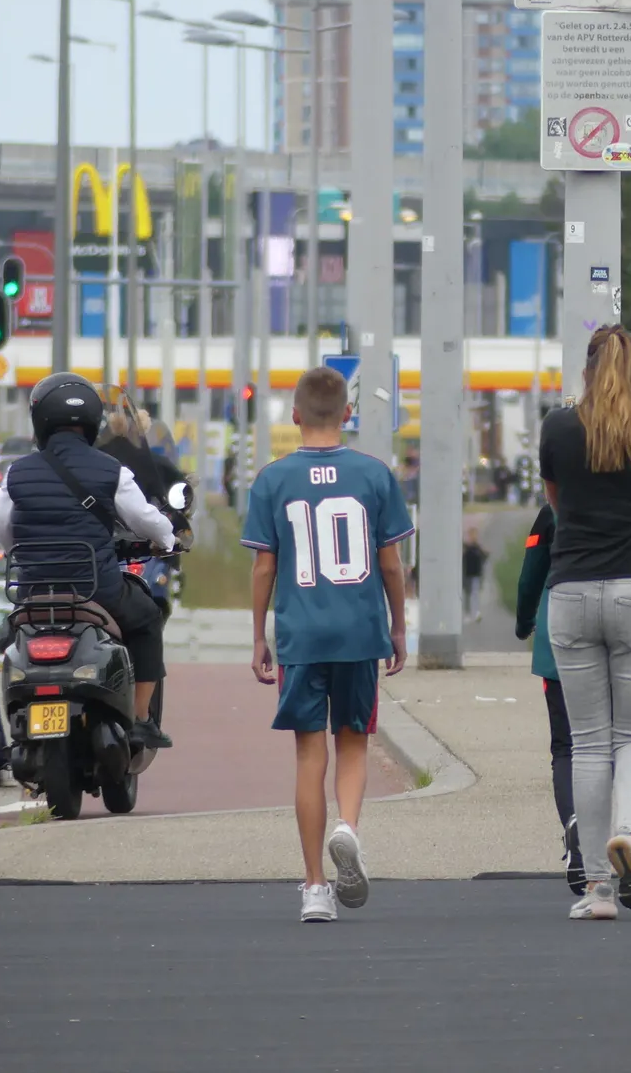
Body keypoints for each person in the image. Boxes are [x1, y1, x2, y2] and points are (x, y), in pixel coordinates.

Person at [240, 367, 412, 923]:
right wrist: (398, 625)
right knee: (354, 742)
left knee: (308, 754)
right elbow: (390, 561)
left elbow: (264, 567)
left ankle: (315, 887)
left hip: (301, 635)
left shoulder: (271, 480)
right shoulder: (375, 474)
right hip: (360, 631)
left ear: (294, 416)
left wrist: (259, 634)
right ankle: (349, 828)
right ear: (347, 415)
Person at [539, 324, 631, 921]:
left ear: (588, 368)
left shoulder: (558, 426)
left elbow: (555, 501)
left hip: (571, 589)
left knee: (590, 743)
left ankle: (598, 888)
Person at [0, 373, 178, 750]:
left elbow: (4, 532)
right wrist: (167, 540)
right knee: (147, 618)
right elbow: (146, 520)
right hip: (98, 590)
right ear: (94, 422)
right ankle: (142, 720)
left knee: (5, 637)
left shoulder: (17, 473)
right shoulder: (112, 471)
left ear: (40, 420)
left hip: (33, 591)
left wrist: (26, 553)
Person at [514, 502, 586, 895]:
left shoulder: (552, 512)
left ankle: (574, 822)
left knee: (565, 747)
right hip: (613, 635)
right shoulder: (625, 497)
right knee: (608, 743)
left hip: (558, 640)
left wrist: (525, 621)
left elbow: (530, 576)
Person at [462, 527, 489, 622]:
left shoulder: (478, 548)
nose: (473, 537)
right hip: (466, 574)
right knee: (467, 595)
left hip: (476, 574)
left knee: (475, 594)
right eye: (471, 535)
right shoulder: (465, 548)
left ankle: (476, 612)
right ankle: (468, 613)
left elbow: (485, 556)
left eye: (474, 535)